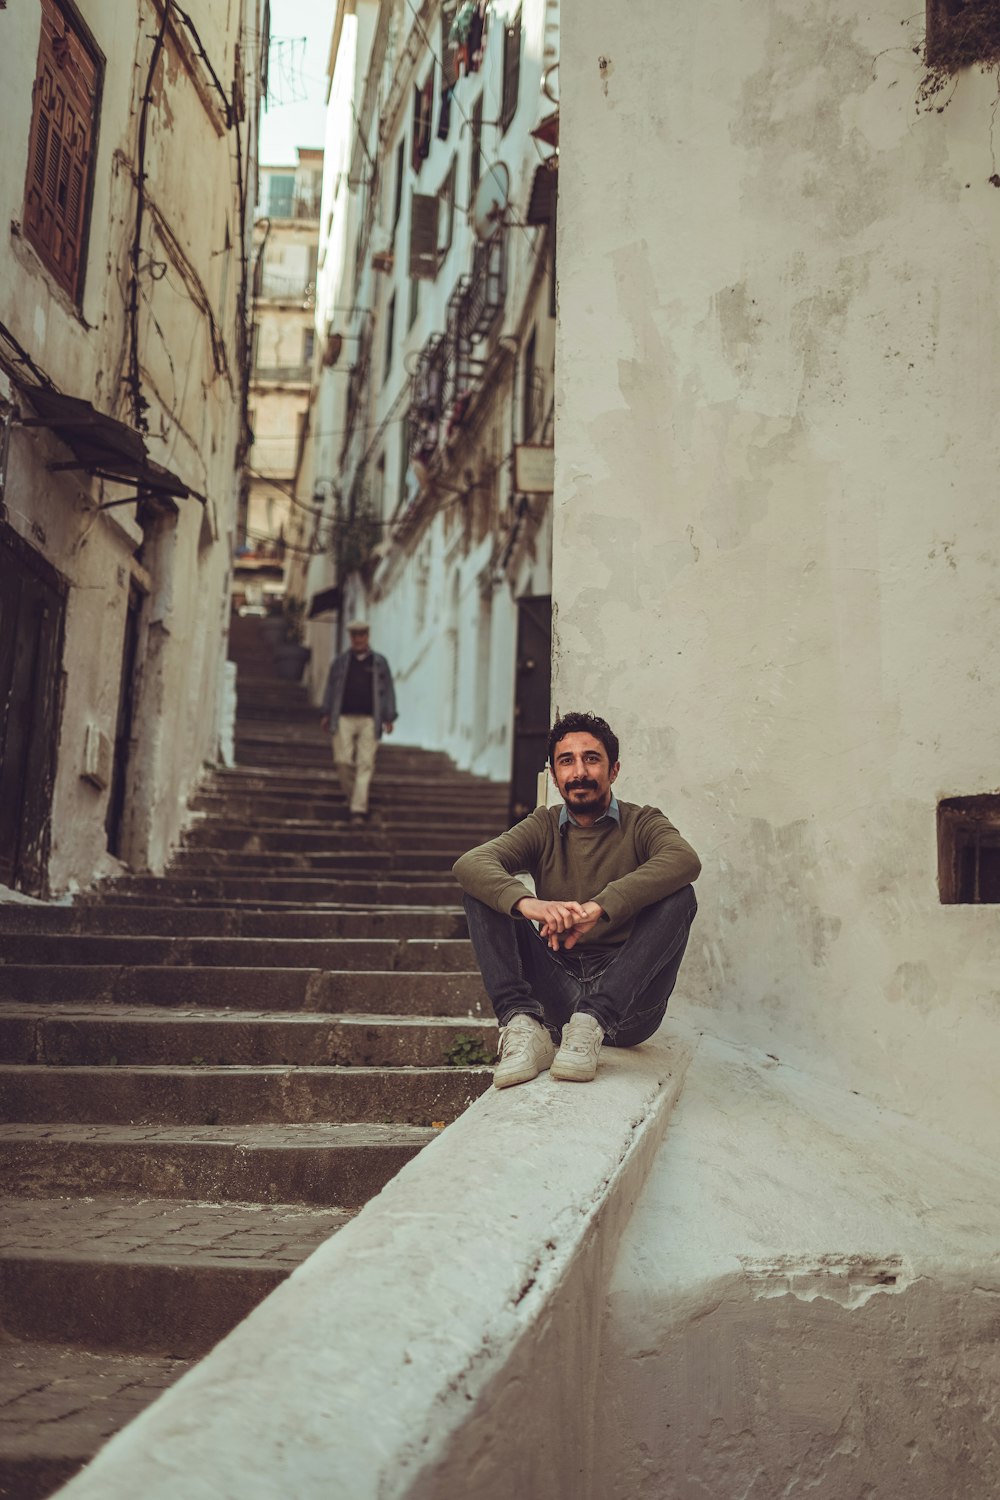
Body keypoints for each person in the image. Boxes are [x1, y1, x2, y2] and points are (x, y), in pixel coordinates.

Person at [453, 711, 700, 1088]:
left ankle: (593, 1021)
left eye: (591, 759)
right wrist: (530, 904)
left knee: (681, 896)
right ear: (554, 776)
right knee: (483, 893)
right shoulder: (543, 825)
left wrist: (600, 907)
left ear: (613, 770)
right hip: (557, 992)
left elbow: (684, 860)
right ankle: (522, 1025)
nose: (579, 772)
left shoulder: (643, 822)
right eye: (566, 762)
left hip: (628, 1007)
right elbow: (471, 862)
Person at [319, 621, 397, 825]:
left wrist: (389, 717)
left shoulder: (379, 662)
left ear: (368, 636)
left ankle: (358, 810)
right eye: (354, 635)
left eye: (362, 635)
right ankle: (355, 796)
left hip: (371, 719)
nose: (358, 639)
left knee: (365, 763)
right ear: (350, 637)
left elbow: (388, 689)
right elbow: (330, 687)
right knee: (342, 760)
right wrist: (326, 712)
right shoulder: (341, 662)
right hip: (343, 716)